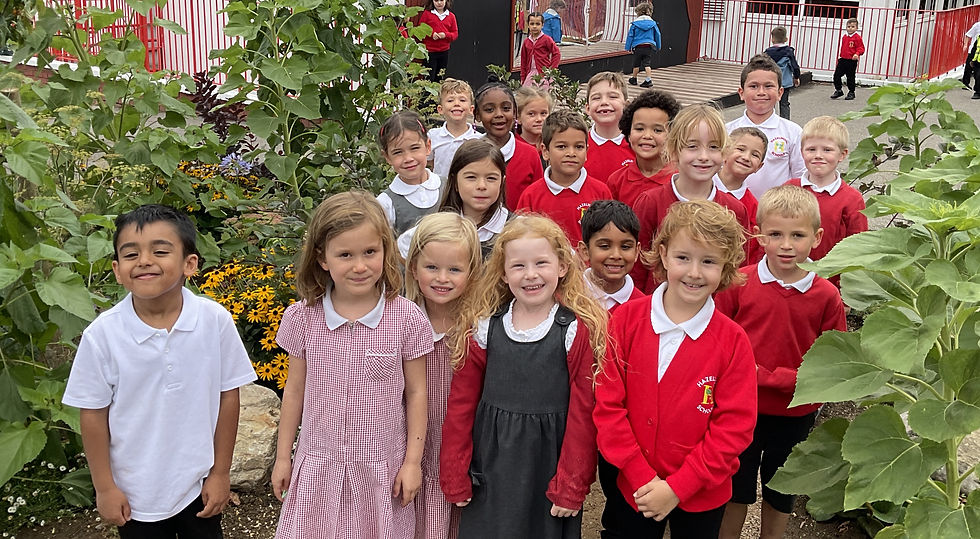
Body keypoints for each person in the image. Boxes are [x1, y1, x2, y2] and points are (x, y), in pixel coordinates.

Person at [62, 204, 257, 538]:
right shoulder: (103, 335)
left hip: (198, 484)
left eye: (160, 250)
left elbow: (228, 396)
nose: (144, 261)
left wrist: (221, 473)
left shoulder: (214, 321)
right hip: (136, 494)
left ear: (189, 264)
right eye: (131, 254)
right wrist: (105, 488)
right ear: (117, 269)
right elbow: (92, 415)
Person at [271, 191, 431, 538]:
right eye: (345, 255)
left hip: (380, 471)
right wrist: (284, 457)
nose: (360, 266)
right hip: (319, 465)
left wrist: (412, 462)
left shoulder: (406, 319)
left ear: (385, 250)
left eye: (370, 252)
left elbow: (418, 393)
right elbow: (294, 391)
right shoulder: (302, 318)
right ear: (322, 259)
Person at [594, 200, 758, 539]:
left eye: (709, 261)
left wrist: (679, 487)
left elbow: (734, 428)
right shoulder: (625, 322)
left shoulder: (732, 341)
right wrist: (642, 476)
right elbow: (607, 405)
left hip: (702, 491)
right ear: (664, 254)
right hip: (634, 487)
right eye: (684, 258)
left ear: (725, 266)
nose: (695, 272)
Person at [440, 214, 607, 539]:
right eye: (518, 266)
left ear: (561, 267)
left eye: (541, 263)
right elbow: (461, 404)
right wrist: (454, 471)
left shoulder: (574, 331)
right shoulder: (485, 328)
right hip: (491, 461)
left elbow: (584, 412)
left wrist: (571, 482)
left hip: (548, 462)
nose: (531, 275)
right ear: (503, 273)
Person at [715, 185, 846, 539]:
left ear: (817, 238)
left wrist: (773, 378)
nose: (786, 245)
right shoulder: (739, 283)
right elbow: (718, 340)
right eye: (775, 234)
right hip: (742, 409)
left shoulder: (826, 295)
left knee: (782, 490)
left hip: (794, 412)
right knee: (735, 490)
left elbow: (834, 357)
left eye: (797, 235)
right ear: (759, 235)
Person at [405, 212, 483, 539]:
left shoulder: (478, 328)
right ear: (413, 267)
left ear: (472, 272)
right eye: (432, 267)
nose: (442, 278)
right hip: (409, 446)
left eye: (454, 269)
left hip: (460, 447)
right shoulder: (401, 323)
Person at [632, 104, 750, 294]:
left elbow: (738, 273)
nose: (703, 156)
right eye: (692, 147)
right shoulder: (650, 202)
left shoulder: (734, 209)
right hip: (657, 312)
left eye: (713, 147)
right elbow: (637, 270)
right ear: (674, 150)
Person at [785, 116, 867, 285]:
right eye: (811, 149)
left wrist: (848, 288)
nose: (818, 156)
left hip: (831, 282)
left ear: (842, 154)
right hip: (788, 277)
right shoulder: (789, 189)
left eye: (827, 150)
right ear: (802, 152)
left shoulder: (851, 199)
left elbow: (858, 247)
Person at [400, 139, 511, 259]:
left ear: (502, 182)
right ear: (455, 182)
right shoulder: (436, 227)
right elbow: (401, 250)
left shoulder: (514, 229)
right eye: (471, 177)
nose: (481, 186)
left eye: (491, 178)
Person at [517, 109, 612, 245]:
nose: (571, 153)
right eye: (562, 147)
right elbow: (521, 239)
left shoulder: (601, 192)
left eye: (579, 147)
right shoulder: (531, 196)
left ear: (586, 151)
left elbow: (608, 237)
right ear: (545, 151)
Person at [726, 54, 806, 198]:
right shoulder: (727, 131)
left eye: (768, 86)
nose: (761, 92)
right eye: (754, 86)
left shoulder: (793, 132)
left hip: (776, 213)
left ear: (780, 92)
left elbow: (801, 177)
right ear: (741, 93)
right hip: (731, 209)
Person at [475, 78, 544, 210]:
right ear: (478, 115)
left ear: (515, 112)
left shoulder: (529, 154)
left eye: (506, 108)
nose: (499, 114)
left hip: (520, 227)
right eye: (489, 110)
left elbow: (538, 197)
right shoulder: (471, 153)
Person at [606, 89, 681, 209]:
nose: (647, 136)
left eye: (657, 130)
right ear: (628, 134)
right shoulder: (617, 181)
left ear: (673, 135)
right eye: (639, 129)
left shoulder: (680, 179)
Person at [378, 110, 443, 236]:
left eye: (414, 148)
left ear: (428, 146)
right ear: (387, 157)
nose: (408, 158)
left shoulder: (448, 186)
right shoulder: (386, 202)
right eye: (398, 152)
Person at [713, 126, 767, 263]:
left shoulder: (754, 208)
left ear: (759, 167)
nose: (746, 157)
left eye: (755, 155)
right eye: (741, 149)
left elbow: (751, 254)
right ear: (725, 151)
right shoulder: (699, 186)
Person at [584, 72, 636, 183]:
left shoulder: (637, 145)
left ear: (626, 105)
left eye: (612, 97)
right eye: (596, 98)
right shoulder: (580, 146)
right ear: (587, 108)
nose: (604, 102)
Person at [428, 79, 482, 182]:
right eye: (450, 100)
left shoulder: (479, 139)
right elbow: (429, 161)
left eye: (462, 100)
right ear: (440, 109)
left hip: (468, 191)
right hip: (440, 192)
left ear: (471, 109)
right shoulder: (433, 136)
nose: (456, 104)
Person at [764, 26, 800, 120]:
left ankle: (769, 119)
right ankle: (785, 121)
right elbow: (794, 66)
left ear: (772, 39)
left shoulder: (767, 52)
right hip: (784, 83)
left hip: (770, 82)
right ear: (786, 39)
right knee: (784, 103)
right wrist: (796, 77)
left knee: (770, 102)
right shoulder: (788, 52)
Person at [419, 0, 458, 83]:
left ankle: (438, 95)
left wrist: (445, 35)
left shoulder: (451, 16)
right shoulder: (427, 14)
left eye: (441, 0)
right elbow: (420, 30)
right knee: (429, 77)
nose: (439, 3)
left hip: (444, 52)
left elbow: (455, 34)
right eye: (436, 0)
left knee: (440, 76)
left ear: (446, 1)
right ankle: (426, 95)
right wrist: (431, 34)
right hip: (429, 51)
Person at [625, 2, 661, 88]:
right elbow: (658, 35)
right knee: (647, 64)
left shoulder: (635, 24)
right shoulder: (653, 24)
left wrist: (628, 47)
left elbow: (630, 36)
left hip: (638, 47)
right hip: (648, 46)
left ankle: (634, 78)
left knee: (636, 64)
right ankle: (648, 80)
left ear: (638, 12)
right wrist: (658, 46)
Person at [521, 11, 562, 87]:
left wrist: (552, 70)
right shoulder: (526, 42)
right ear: (528, 25)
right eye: (532, 24)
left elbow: (556, 53)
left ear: (542, 25)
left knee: (542, 95)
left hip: (543, 74)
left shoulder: (547, 39)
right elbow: (523, 60)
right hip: (530, 74)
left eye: (537, 24)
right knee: (528, 94)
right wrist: (523, 77)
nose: (534, 26)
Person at [830, 18, 865, 101]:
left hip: (851, 60)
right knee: (837, 75)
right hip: (843, 59)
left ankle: (851, 92)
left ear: (856, 28)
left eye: (853, 26)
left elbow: (861, 48)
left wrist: (857, 54)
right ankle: (838, 90)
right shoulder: (845, 37)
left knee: (850, 77)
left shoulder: (857, 38)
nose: (850, 28)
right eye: (849, 26)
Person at [515, 86, 553, 159]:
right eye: (531, 114)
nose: (539, 119)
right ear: (518, 117)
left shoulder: (553, 143)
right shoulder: (512, 146)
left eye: (543, 113)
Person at [961, 17, 980, 90]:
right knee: (968, 67)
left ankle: (977, 87)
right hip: (973, 49)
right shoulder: (977, 25)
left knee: (977, 70)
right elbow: (968, 35)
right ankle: (965, 83)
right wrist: (965, 45)